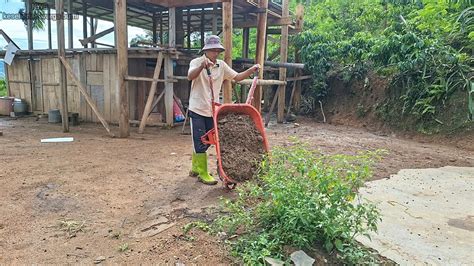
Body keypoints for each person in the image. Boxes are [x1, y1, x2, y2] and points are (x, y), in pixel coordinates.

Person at [187, 35, 260, 185]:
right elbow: (190, 76)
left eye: (217, 50)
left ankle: (195, 167)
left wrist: (251, 70)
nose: (215, 53)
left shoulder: (221, 65)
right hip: (198, 108)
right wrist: (202, 66)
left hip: (212, 110)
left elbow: (237, 77)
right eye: (212, 50)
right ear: (206, 50)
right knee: (199, 140)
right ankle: (203, 173)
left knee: (210, 140)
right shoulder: (196, 62)